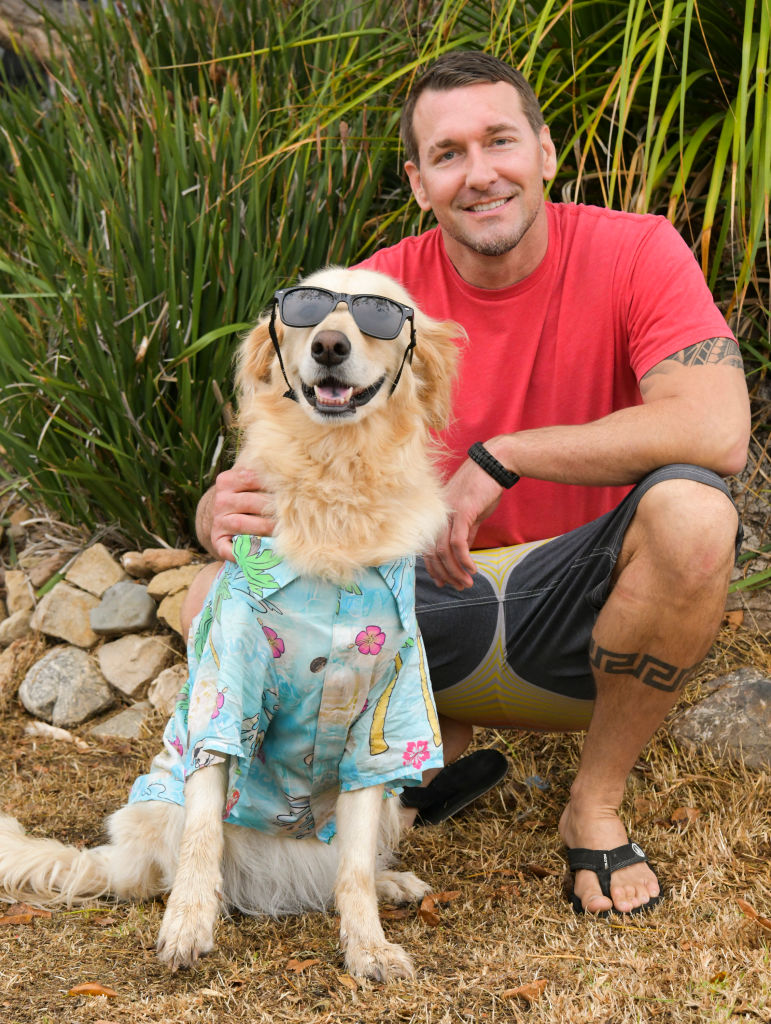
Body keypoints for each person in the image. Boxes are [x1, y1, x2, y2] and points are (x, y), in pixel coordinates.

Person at [184, 51, 750, 916]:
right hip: (417, 609)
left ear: (546, 151)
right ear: (418, 181)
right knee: (209, 596)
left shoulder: (638, 251)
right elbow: (280, 446)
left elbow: (716, 430)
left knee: (693, 512)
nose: (479, 174)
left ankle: (591, 805)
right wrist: (215, 509)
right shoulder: (374, 294)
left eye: (499, 141)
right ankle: (370, 793)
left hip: (575, 609)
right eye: (448, 154)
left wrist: (504, 454)